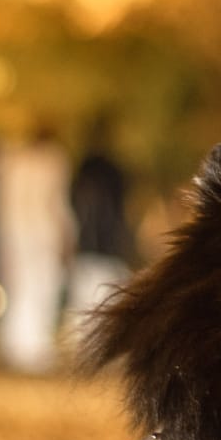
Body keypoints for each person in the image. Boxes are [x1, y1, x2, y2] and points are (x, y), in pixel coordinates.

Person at [0, 133, 74, 372]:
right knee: (43, 288)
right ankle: (33, 346)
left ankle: (18, 345)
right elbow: (57, 204)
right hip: (43, 235)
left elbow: (0, 208)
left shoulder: (11, 164)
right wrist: (67, 235)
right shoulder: (52, 163)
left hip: (17, 236)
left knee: (20, 289)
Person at [65, 133, 135, 343]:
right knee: (105, 291)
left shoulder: (81, 172)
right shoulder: (114, 171)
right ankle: (100, 339)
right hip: (107, 243)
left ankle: (84, 338)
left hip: (88, 244)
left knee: (86, 292)